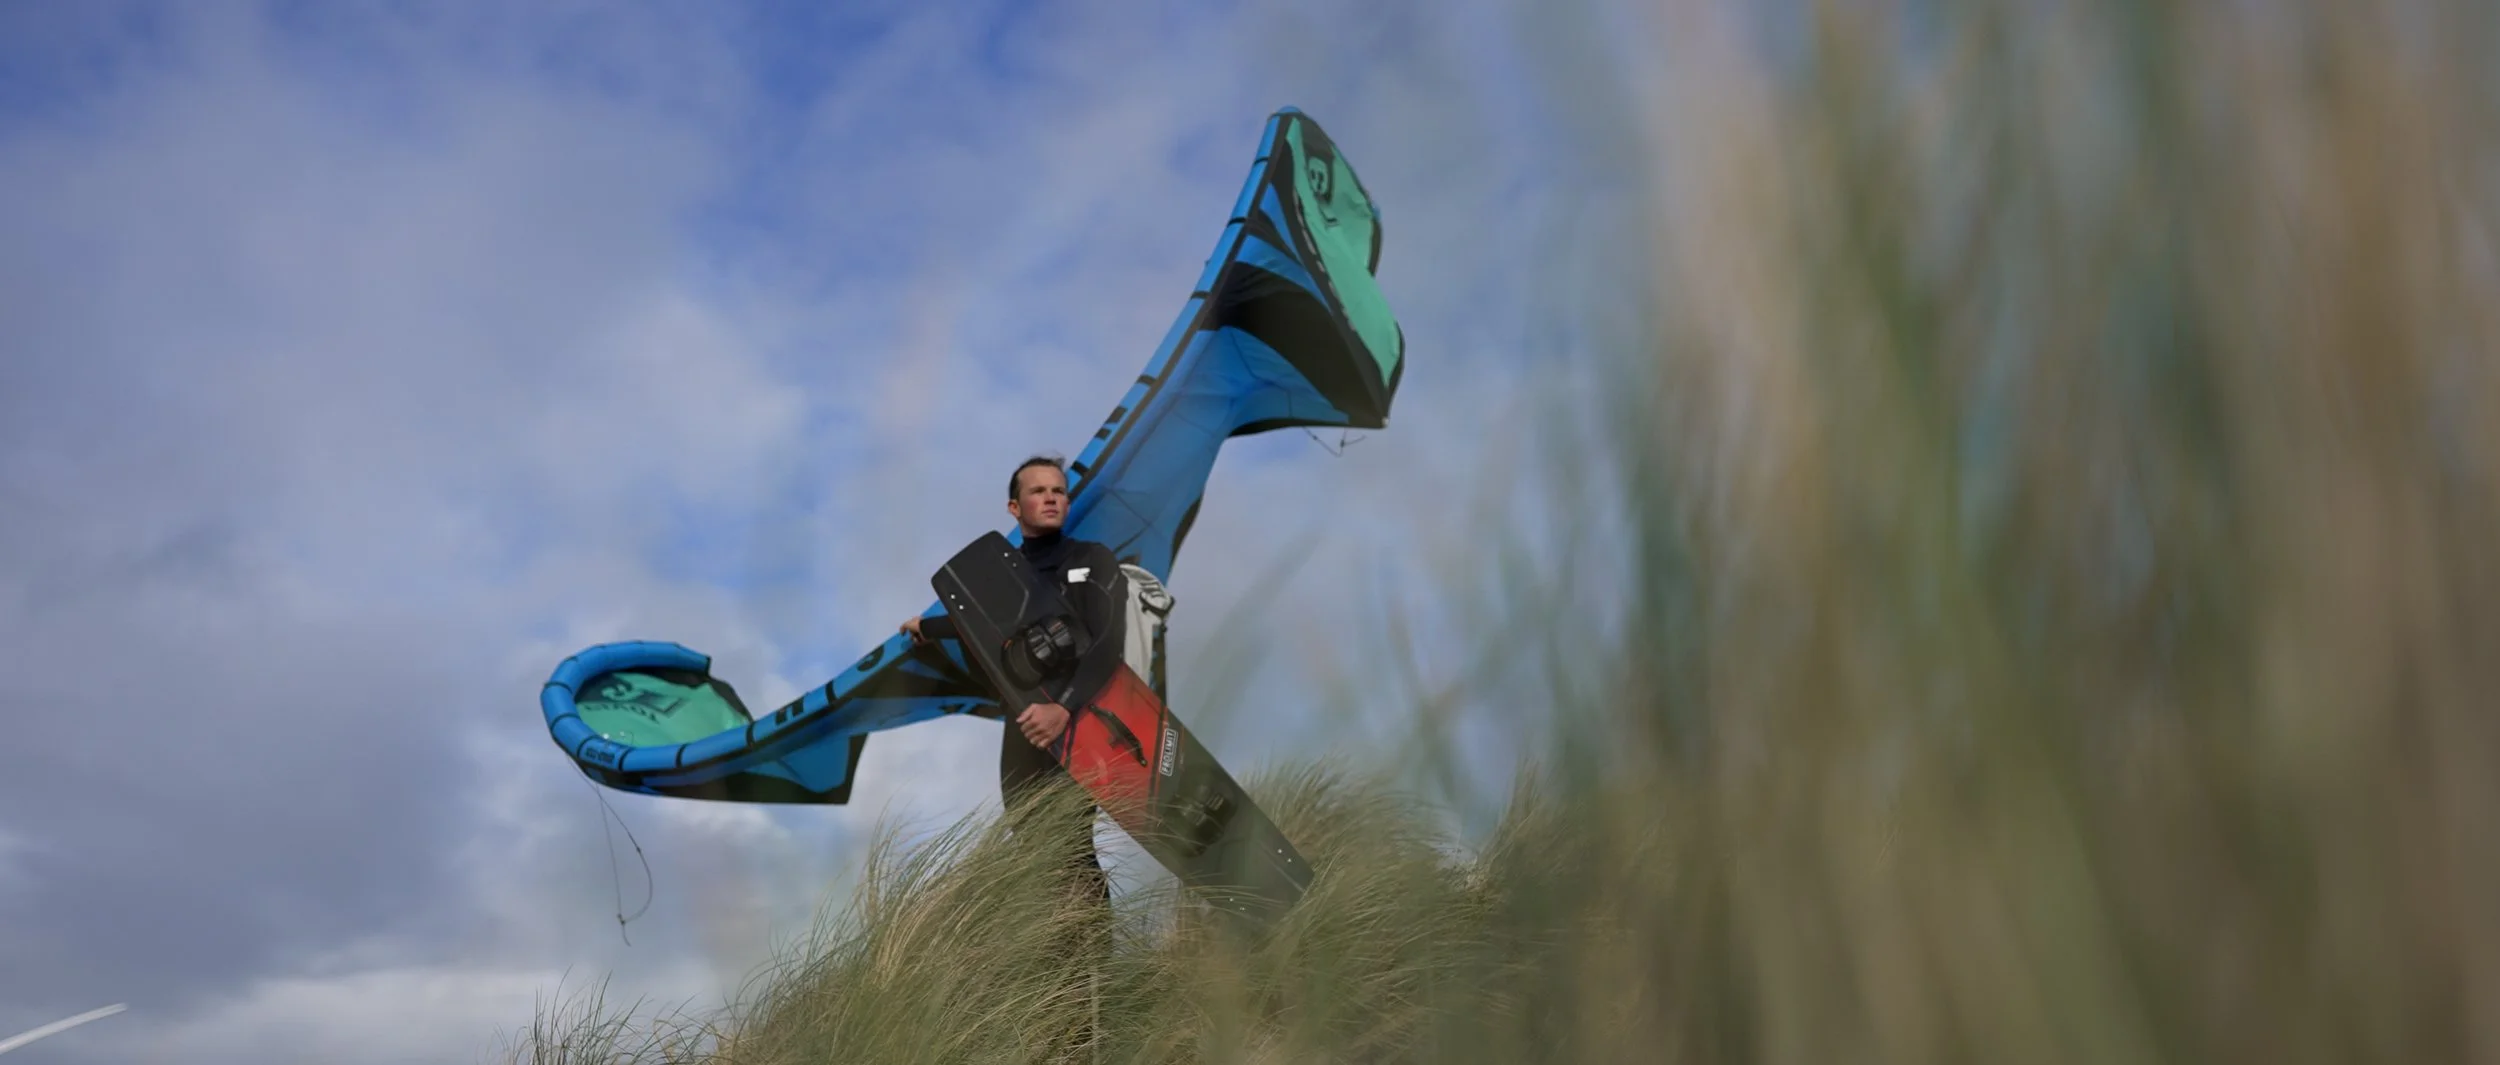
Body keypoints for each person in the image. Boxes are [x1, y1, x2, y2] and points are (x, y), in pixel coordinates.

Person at [902, 454, 1127, 915]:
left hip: (1077, 721)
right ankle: (1056, 972)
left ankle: (1096, 977)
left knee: (1073, 847)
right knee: (1034, 850)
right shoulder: (1000, 577)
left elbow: (1108, 642)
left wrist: (1063, 707)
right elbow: (984, 627)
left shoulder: (1092, 559)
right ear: (1014, 508)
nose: (1050, 498)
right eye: (1037, 491)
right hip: (1025, 728)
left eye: (1058, 491)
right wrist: (928, 628)